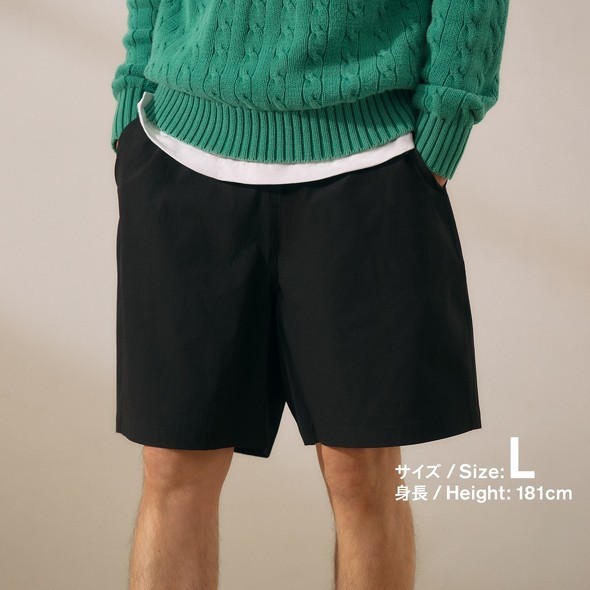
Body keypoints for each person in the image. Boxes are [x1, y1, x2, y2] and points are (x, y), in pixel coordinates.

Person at [111, 1, 509, 588]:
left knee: (361, 472)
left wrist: (448, 112)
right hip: (180, 146)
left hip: (369, 157)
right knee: (173, 466)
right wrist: (133, 90)